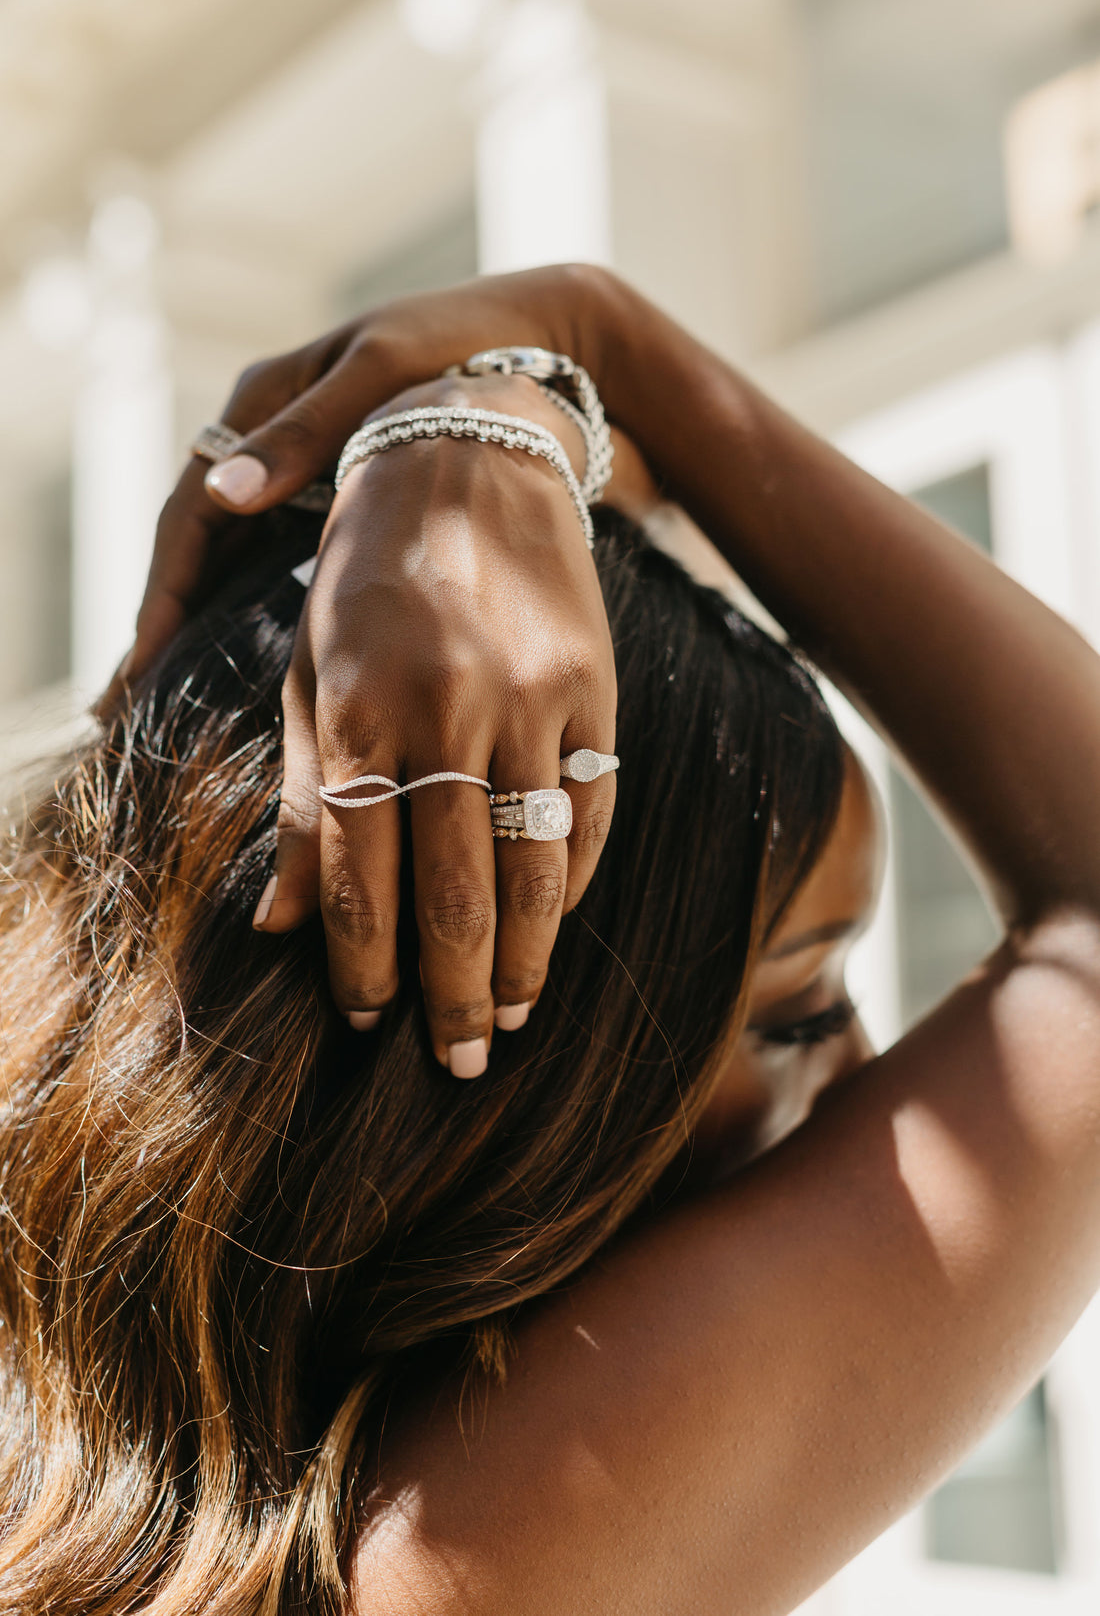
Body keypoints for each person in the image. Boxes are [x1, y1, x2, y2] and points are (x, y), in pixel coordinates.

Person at [2, 263, 1099, 1616]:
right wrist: (588, 344)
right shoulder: (481, 1554)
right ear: (488, 1048)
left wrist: (495, 436)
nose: (870, 1066)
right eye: (794, 1011)